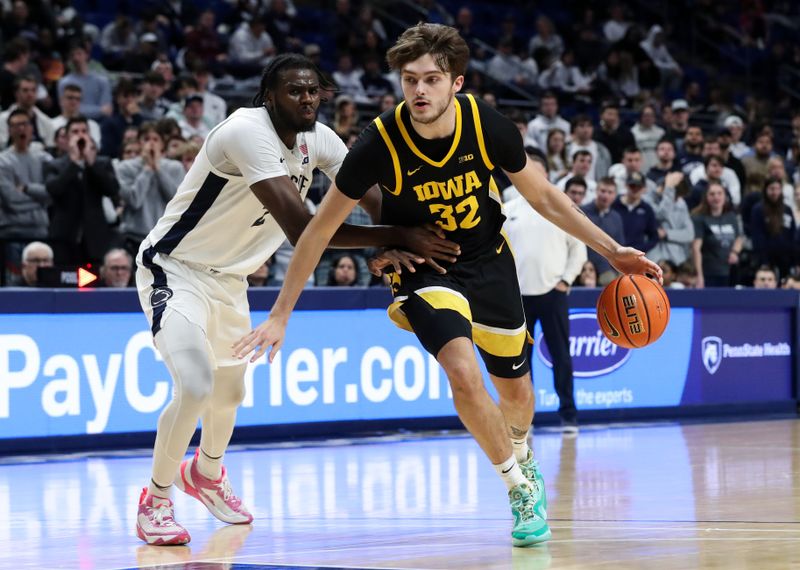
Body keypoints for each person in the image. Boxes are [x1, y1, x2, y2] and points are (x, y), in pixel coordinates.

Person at [234, 24, 661, 548]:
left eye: (431, 79)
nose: (418, 91)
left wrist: (611, 251)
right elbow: (316, 230)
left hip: (487, 259)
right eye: (409, 79)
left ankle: (522, 451)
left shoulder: (488, 126)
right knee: (461, 371)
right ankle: (518, 488)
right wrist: (281, 313)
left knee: (518, 396)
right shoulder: (379, 141)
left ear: (456, 83)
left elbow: (546, 198)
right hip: (422, 267)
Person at [132, 53, 458, 546]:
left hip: (231, 281)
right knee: (196, 385)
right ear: (269, 97)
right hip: (174, 270)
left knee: (231, 394)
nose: (306, 98)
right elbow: (305, 229)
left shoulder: (319, 140)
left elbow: (375, 200)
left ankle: (206, 474)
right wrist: (398, 236)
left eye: (313, 91)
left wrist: (394, 238)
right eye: (294, 91)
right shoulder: (246, 132)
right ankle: (156, 499)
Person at [504, 180, 587, 432]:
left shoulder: (559, 210)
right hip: (517, 298)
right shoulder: (507, 211)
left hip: (553, 294)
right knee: (520, 364)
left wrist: (566, 280)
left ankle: (568, 415)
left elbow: (579, 250)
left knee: (561, 356)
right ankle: (523, 420)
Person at [690, 181, 743, 288]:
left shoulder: (731, 217)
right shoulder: (699, 218)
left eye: (719, 193)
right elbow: (696, 248)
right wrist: (699, 275)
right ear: (706, 197)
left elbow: (739, 238)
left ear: (725, 196)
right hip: (709, 272)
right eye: (712, 194)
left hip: (730, 271)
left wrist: (735, 252)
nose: (716, 197)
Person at [582, 176, 625, 285]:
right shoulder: (583, 211)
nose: (606, 195)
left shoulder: (616, 217)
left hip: (610, 267)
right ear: (596, 191)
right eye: (603, 191)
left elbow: (620, 246)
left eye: (610, 192)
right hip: (586, 265)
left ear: (615, 195)